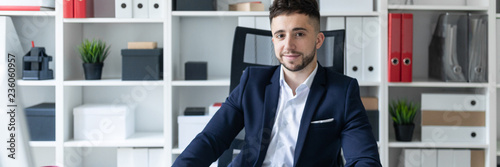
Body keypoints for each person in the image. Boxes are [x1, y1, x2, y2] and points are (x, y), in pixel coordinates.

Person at [173, 0, 381, 166]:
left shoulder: (343, 92)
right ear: (273, 41)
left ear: (318, 40)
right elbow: (210, 140)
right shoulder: (252, 82)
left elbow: (364, 159)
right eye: (280, 35)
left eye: (299, 34)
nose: (288, 45)